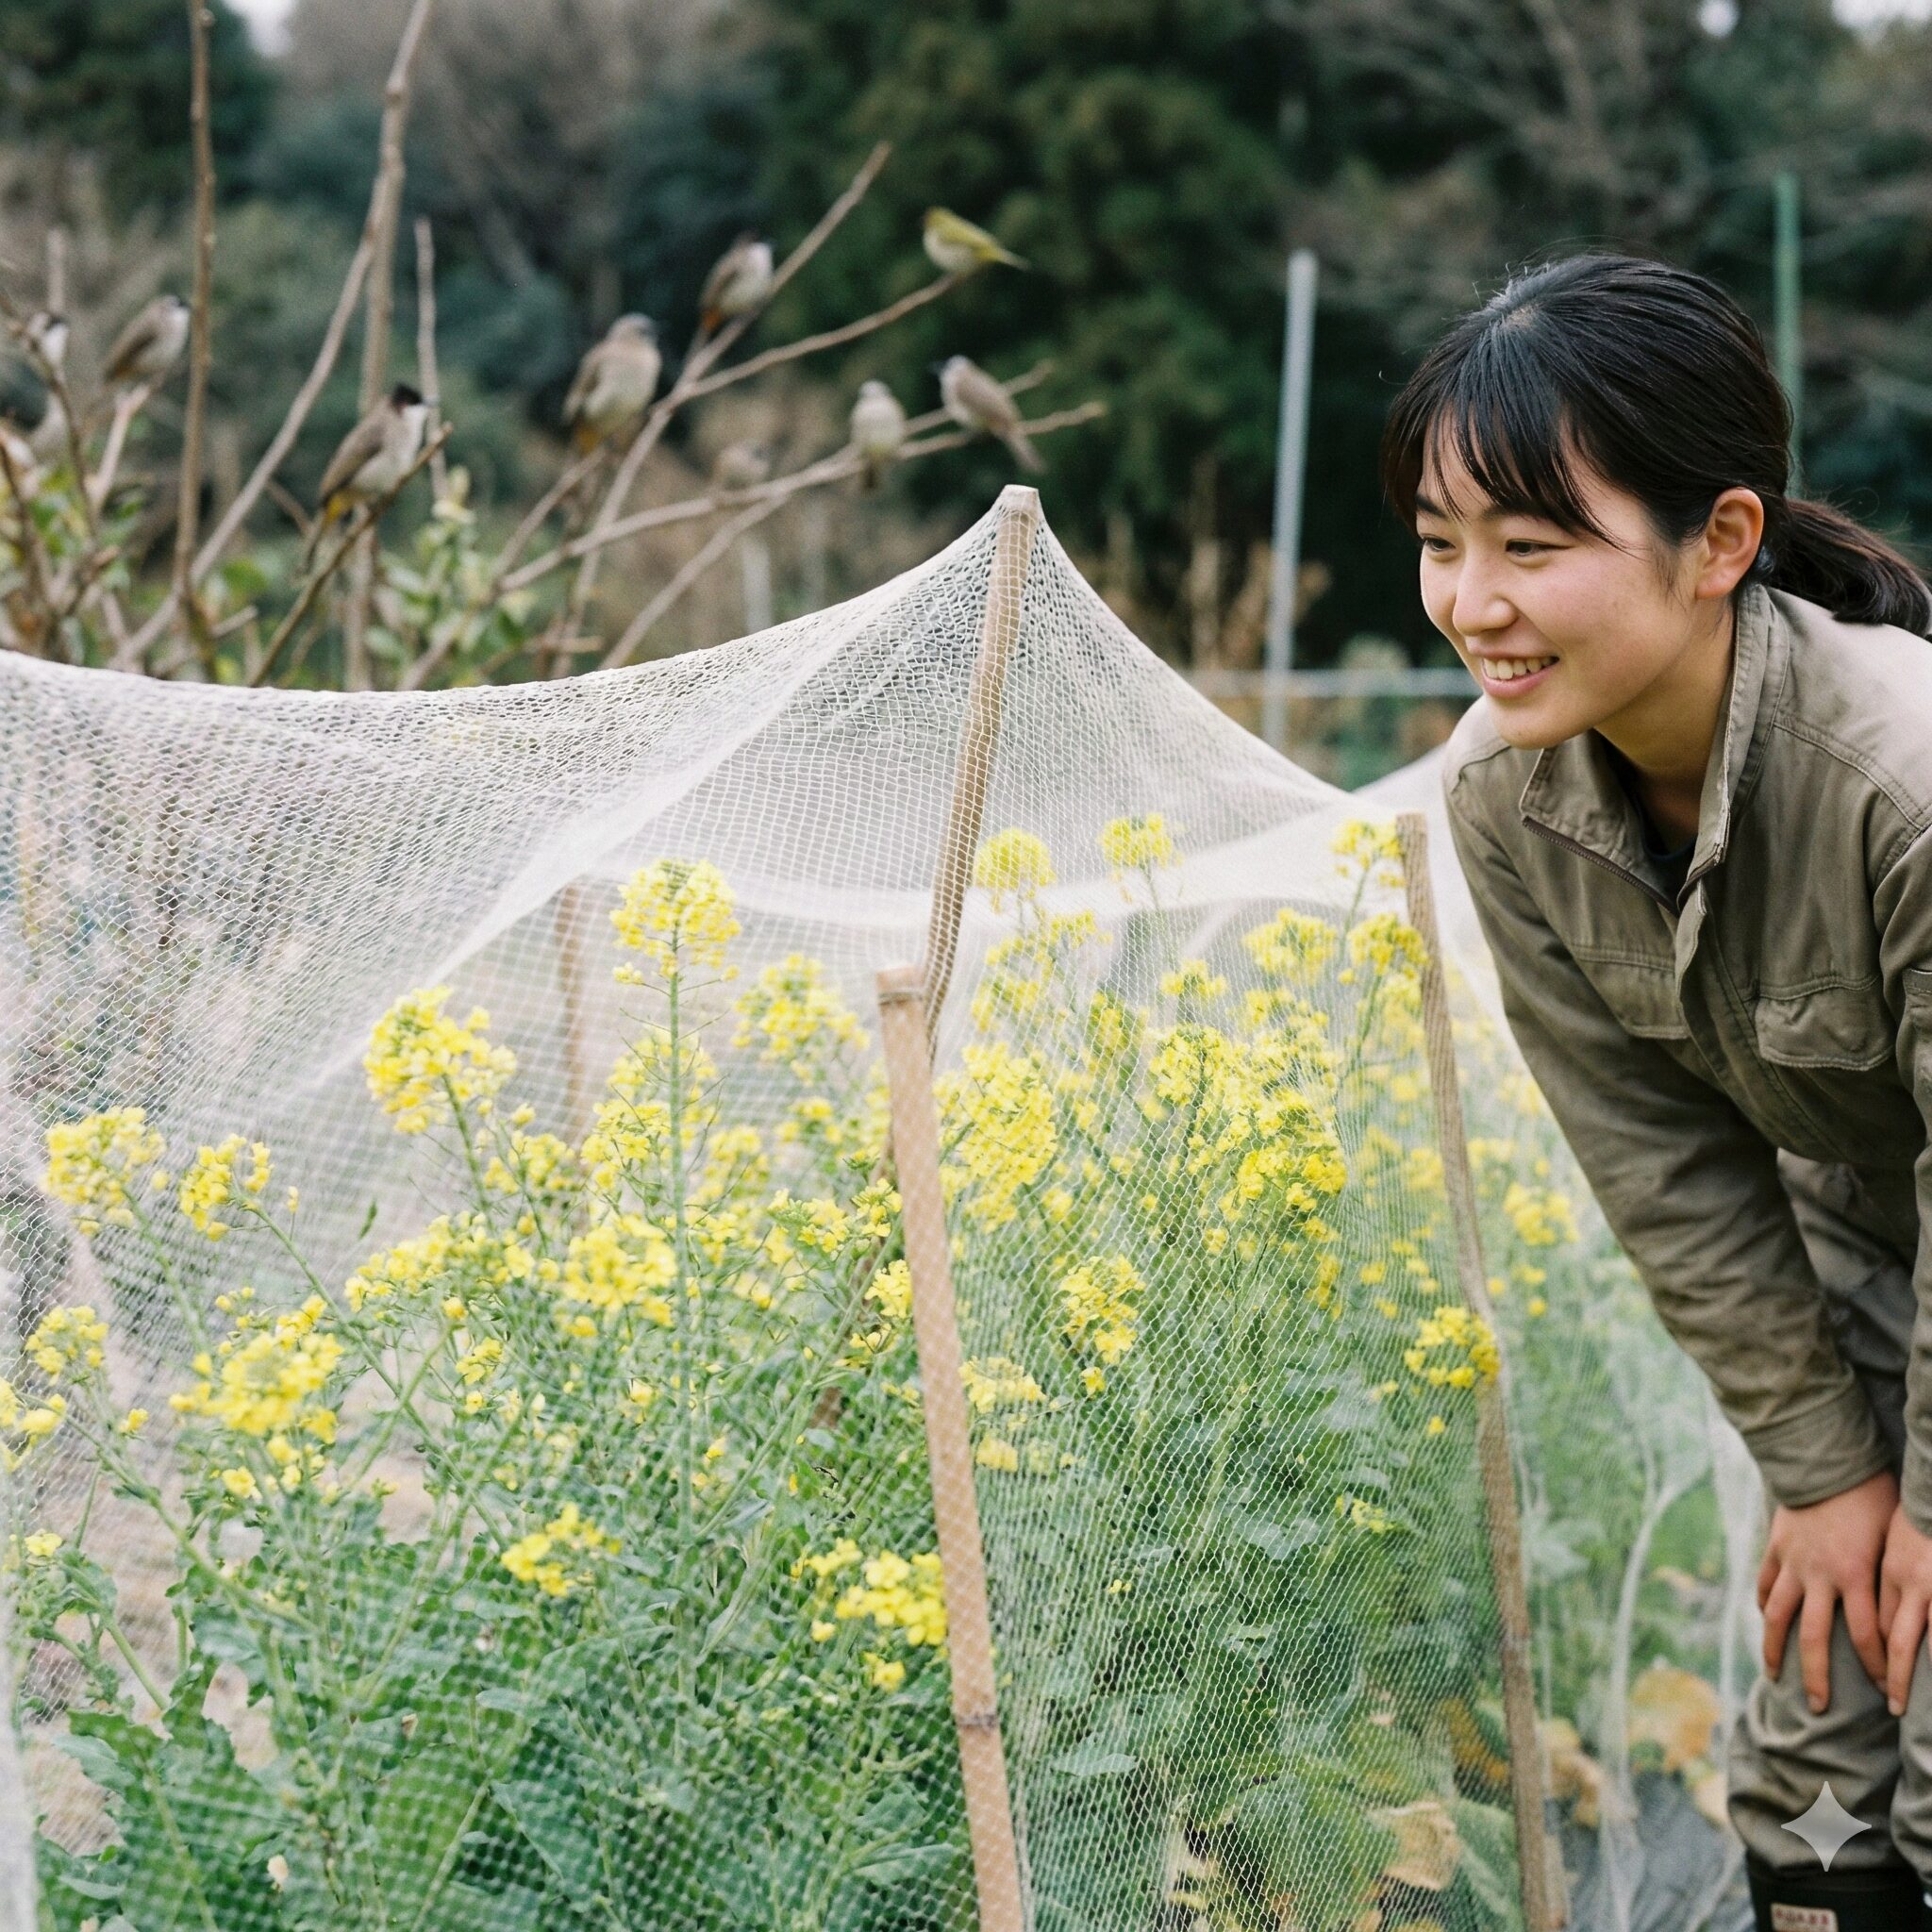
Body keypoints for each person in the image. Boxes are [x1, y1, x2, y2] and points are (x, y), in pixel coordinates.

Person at [1382, 253, 1932, 1931]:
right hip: (1870, 1234)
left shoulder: (1902, 787)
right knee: (1822, 1735)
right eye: (1442, 541)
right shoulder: (1505, 801)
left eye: (1533, 546)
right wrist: (1832, 1477)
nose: (1474, 601)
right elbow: (1667, 1168)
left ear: (1722, 541)